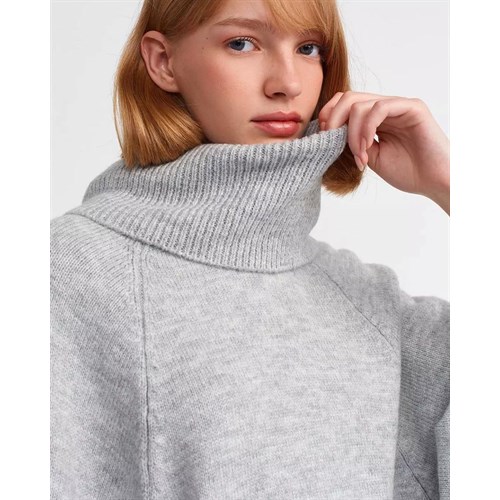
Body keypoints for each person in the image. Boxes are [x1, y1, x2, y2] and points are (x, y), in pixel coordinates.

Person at [50, 0, 450, 498]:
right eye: (242, 43)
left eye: (309, 48)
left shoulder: (374, 309)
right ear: (163, 61)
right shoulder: (68, 272)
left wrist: (451, 184)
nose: (288, 83)